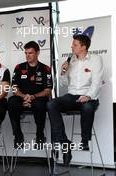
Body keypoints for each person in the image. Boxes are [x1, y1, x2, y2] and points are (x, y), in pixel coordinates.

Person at [47, 34, 104, 165]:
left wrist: (88, 96)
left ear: (83, 47)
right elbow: (62, 84)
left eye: (75, 45)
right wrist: (62, 72)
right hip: (72, 96)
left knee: (87, 106)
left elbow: (97, 82)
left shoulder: (95, 59)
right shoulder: (71, 60)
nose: (71, 46)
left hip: (89, 96)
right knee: (51, 104)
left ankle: (85, 141)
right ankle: (64, 142)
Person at [8, 41, 53, 149]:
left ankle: (40, 135)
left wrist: (34, 97)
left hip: (38, 98)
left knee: (39, 104)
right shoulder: (19, 67)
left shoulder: (45, 69)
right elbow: (14, 88)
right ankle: (18, 136)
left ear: (37, 53)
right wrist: (24, 97)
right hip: (22, 98)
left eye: (30, 53)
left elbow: (48, 90)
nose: (28, 55)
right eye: (26, 53)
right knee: (11, 101)